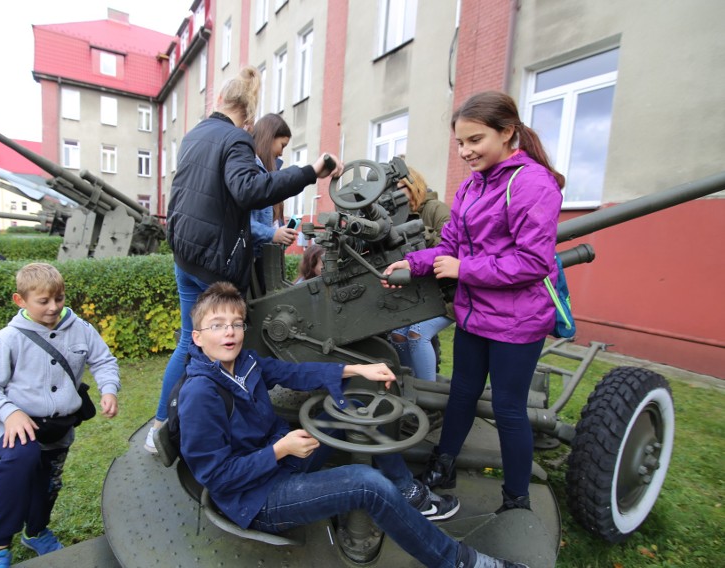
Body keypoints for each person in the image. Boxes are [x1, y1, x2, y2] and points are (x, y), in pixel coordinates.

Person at [177, 281, 527, 568]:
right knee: (367, 485)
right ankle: (460, 562)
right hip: (256, 499)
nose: (230, 334)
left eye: (236, 324)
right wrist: (279, 450)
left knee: (358, 404)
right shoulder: (200, 395)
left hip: (280, 462)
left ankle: (405, 490)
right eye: (218, 326)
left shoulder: (245, 363)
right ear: (197, 337)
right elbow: (218, 477)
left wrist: (357, 370)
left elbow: (294, 372)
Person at [144, 66, 344, 452]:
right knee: (229, 343)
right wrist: (311, 171)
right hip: (213, 264)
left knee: (191, 341)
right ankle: (224, 426)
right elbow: (249, 190)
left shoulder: (195, 135)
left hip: (185, 257)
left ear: (220, 100)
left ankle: (162, 425)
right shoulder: (236, 139)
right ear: (250, 115)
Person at [382, 91, 564, 513]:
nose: (465, 151)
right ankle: (442, 467)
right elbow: (449, 246)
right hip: (475, 313)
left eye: (475, 140)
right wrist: (409, 263)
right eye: (460, 143)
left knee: (508, 409)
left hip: (518, 321)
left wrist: (465, 271)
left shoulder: (532, 184)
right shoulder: (471, 187)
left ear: (507, 133)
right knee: (461, 394)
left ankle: (516, 498)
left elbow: (533, 261)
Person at [0, 263, 120, 568]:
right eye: (44, 301)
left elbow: (103, 361)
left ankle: (35, 532)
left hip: (58, 429)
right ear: (20, 300)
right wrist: (9, 413)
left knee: (47, 484)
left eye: (59, 299)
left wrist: (109, 389)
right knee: (21, 461)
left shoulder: (81, 329)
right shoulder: (7, 340)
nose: (54, 308)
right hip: (15, 427)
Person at [388, 167, 455, 381]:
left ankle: (428, 389)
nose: (396, 194)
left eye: (401, 188)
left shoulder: (435, 209)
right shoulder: (398, 217)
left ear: (413, 185)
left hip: (450, 294)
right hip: (421, 296)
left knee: (417, 333)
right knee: (398, 333)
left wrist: (420, 234)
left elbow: (452, 247)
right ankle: (411, 382)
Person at [250, 113, 299, 293]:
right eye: (282, 145)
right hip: (253, 263)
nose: (281, 152)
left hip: (265, 259)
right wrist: (273, 234)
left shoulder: (268, 172)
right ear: (269, 139)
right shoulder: (252, 171)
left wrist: (282, 232)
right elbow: (243, 223)